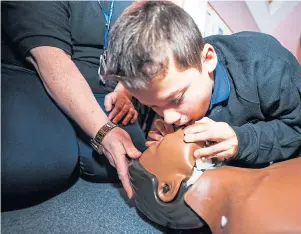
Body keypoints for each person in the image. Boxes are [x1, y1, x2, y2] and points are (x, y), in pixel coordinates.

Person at [104, 1, 301, 167]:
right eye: (155, 106)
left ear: (208, 59)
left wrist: (241, 141)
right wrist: (170, 141)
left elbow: (296, 130)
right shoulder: (180, 74)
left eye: (177, 99)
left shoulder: (268, 65)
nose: (169, 117)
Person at [1, 1, 146, 203]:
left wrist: (125, 88)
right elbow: (51, 61)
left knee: (129, 159)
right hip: (39, 75)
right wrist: (103, 131)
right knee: (43, 163)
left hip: (104, 86)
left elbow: (142, 48)